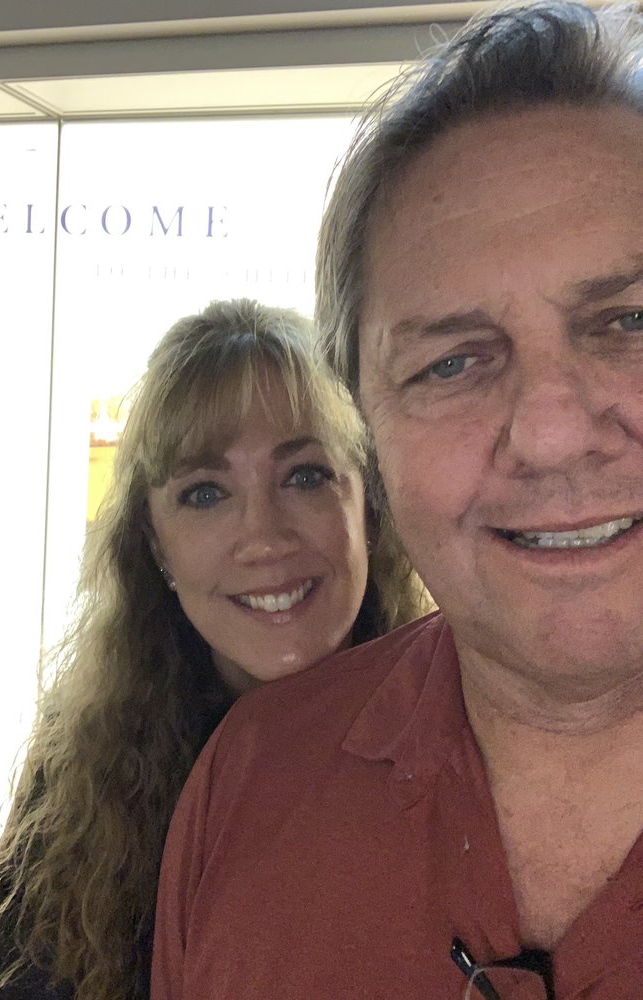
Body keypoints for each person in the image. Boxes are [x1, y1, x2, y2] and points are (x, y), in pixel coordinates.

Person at [151, 4, 643, 998]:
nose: (552, 431)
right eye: (451, 363)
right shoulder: (251, 778)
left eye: (631, 322)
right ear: (373, 432)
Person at [0, 298, 423, 1000]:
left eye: (305, 476)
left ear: (367, 507)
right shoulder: (82, 773)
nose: (264, 539)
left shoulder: (471, 735)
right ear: (156, 546)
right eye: (206, 493)